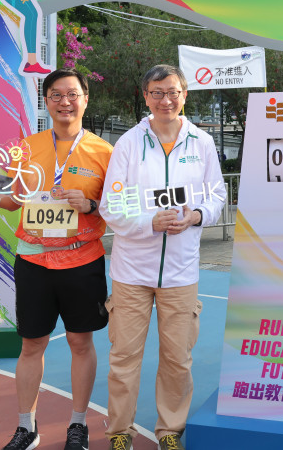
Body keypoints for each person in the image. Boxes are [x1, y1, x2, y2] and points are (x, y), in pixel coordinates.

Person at [0, 69, 112, 450]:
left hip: (82, 260)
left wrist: (90, 205)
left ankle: (78, 425)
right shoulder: (25, 147)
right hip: (34, 262)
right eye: (56, 95)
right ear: (46, 102)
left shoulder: (106, 152)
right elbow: (12, 201)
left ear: (85, 100)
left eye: (72, 94)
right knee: (30, 345)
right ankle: (27, 427)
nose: (65, 102)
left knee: (80, 342)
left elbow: (115, 207)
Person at [99, 64, 226, 450]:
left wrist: (196, 216)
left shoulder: (202, 143)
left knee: (177, 360)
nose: (165, 100)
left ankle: (170, 432)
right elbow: (111, 206)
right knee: (124, 357)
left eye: (172, 92)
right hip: (131, 271)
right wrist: (149, 222)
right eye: (157, 92)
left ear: (184, 95)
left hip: (181, 272)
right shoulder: (128, 144)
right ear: (146, 97)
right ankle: (120, 431)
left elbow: (217, 197)